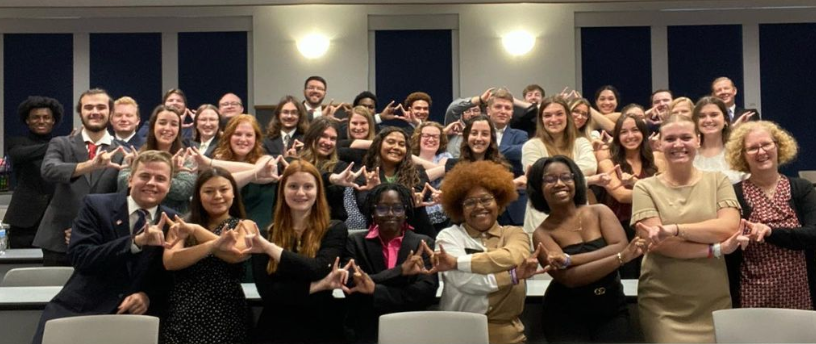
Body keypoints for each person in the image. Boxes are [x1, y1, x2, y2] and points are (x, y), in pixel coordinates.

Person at [31, 150, 178, 344]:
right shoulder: (96, 206)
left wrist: (148, 296)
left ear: (169, 186)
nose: (151, 183)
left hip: (135, 319)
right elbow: (81, 257)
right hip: (81, 311)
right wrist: (135, 242)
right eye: (145, 176)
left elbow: (169, 278)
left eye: (160, 178)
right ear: (130, 180)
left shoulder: (173, 222)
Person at [631, 114, 747, 342]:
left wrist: (675, 229)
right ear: (659, 144)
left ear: (698, 141)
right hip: (663, 303)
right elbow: (659, 244)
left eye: (685, 137)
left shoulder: (718, 181)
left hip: (712, 299)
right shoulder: (644, 188)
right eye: (670, 139)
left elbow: (728, 227)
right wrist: (715, 249)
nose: (678, 145)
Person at [528, 156, 645, 342]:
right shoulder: (542, 233)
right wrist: (620, 258)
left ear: (576, 181)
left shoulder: (600, 211)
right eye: (550, 179)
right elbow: (571, 278)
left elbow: (621, 245)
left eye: (566, 177)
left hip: (611, 307)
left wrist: (570, 260)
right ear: (538, 187)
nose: (559, 183)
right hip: (565, 315)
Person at [432, 160, 540, 344]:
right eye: (470, 202)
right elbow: (467, 282)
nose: (479, 206)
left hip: (509, 335)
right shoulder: (448, 236)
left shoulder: (515, 233)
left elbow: (514, 256)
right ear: (460, 208)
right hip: (459, 334)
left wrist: (458, 262)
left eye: (485, 199)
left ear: (499, 202)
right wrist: (512, 275)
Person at [246, 159, 349, 344]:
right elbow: (268, 293)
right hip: (276, 330)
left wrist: (270, 248)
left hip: (322, 327)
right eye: (293, 186)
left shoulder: (335, 229)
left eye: (308, 186)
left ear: (318, 191)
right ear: (282, 191)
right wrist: (318, 286)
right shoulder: (264, 235)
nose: (301, 193)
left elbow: (317, 268)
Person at [725, 121, 816, 309]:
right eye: (752, 148)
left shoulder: (802, 188)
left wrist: (769, 232)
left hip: (800, 292)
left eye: (766, 144)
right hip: (752, 294)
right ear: (742, 155)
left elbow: (812, 234)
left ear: (778, 146)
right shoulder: (733, 193)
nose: (761, 152)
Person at [160, 167, 252, 343]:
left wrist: (196, 231)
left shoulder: (245, 225)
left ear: (234, 193)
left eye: (223, 189)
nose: (217, 196)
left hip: (227, 311)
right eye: (209, 191)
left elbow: (236, 254)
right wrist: (213, 245)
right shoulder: (182, 224)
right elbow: (171, 261)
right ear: (198, 195)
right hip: (183, 309)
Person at [37, 88, 124, 266]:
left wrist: (88, 231)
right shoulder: (61, 143)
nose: (95, 112)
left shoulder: (124, 152)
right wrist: (91, 165)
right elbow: (50, 170)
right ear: (80, 112)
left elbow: (123, 198)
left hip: (103, 240)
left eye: (101, 107)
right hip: (58, 239)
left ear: (111, 112)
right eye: (88, 107)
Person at [342, 183, 438, 343]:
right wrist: (400, 271)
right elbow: (351, 287)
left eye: (398, 208)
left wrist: (374, 290)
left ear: (406, 212)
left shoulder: (423, 243)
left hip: (411, 326)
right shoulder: (354, 242)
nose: (390, 214)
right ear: (373, 212)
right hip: (365, 328)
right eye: (382, 208)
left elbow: (426, 292)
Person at [593, 113, 658, 278]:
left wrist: (635, 183)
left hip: (653, 225)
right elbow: (620, 195)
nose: (630, 136)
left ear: (643, 133)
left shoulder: (657, 160)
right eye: (623, 132)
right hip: (619, 229)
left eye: (635, 130)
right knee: (626, 277)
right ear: (617, 136)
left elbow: (668, 192)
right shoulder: (608, 163)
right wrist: (654, 192)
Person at [522, 97, 597, 234]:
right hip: (541, 216)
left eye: (559, 114)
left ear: (567, 116)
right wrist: (584, 178)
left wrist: (551, 173)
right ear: (541, 120)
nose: (553, 119)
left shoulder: (581, 142)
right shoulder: (531, 146)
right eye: (547, 115)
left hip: (577, 213)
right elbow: (539, 177)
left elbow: (591, 166)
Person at [356, 127, 435, 237]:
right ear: (379, 145)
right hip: (378, 235)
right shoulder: (365, 173)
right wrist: (374, 191)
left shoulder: (417, 172)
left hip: (417, 233)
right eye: (391, 142)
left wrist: (380, 192)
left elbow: (417, 197)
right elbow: (364, 207)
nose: (396, 147)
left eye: (401, 144)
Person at [4, 96, 62, 248]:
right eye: (35, 117)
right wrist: (58, 144)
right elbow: (18, 155)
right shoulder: (16, 143)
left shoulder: (63, 145)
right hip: (24, 219)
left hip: (56, 217)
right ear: (27, 121)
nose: (41, 121)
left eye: (46, 117)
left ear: (53, 121)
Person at [118, 105, 196, 214]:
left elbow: (184, 190)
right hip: (136, 215)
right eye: (162, 123)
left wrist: (143, 176)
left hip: (174, 219)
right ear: (153, 125)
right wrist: (169, 176)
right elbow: (123, 183)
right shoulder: (135, 155)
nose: (168, 128)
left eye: (174, 124)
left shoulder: (186, 158)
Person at [692, 96, 747, 184]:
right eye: (702, 116)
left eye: (714, 115)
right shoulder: (690, 156)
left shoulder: (739, 153)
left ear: (725, 119)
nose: (708, 120)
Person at [411, 121, 452, 230]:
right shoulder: (409, 159)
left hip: (444, 217)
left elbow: (422, 177)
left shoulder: (446, 157)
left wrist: (413, 159)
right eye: (426, 136)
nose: (431, 139)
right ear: (418, 137)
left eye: (435, 136)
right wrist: (443, 169)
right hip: (416, 214)